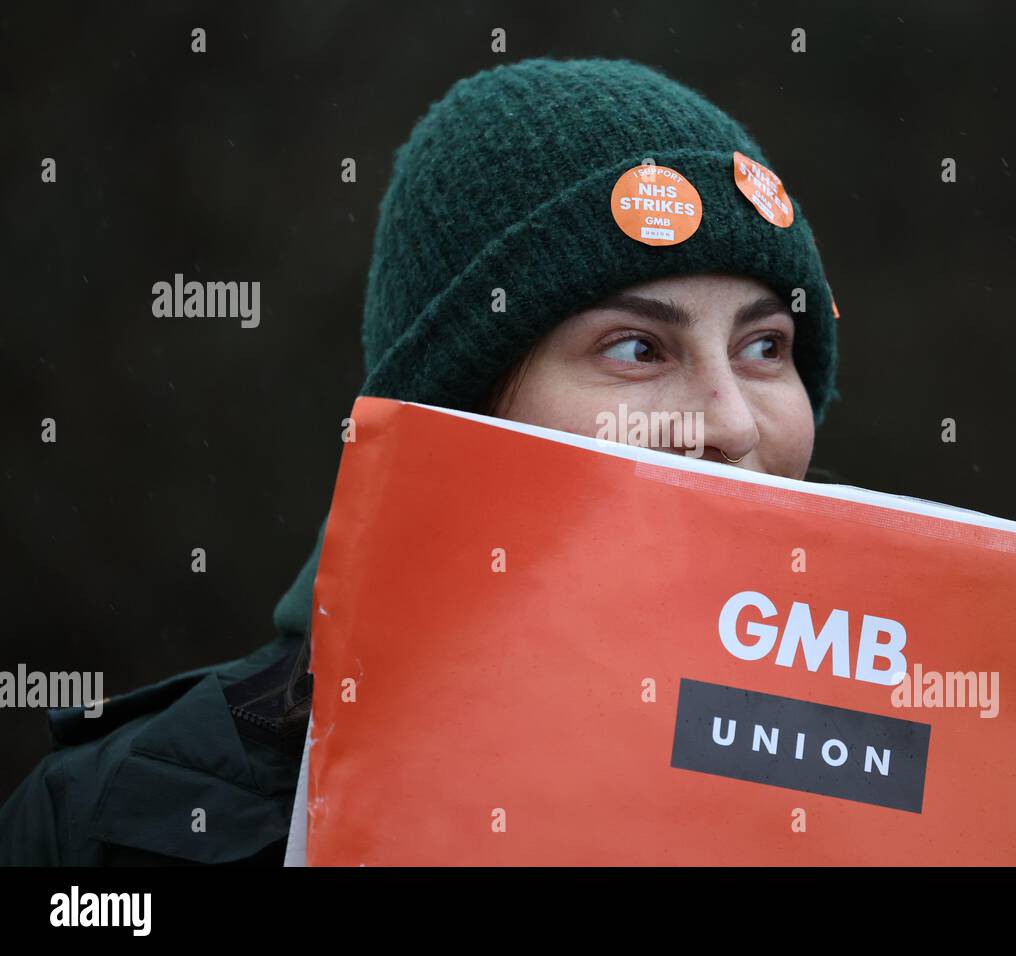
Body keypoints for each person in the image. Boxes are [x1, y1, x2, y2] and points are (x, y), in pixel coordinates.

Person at [0, 56, 839, 865]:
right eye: (635, 347)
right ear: (455, 412)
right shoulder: (112, 819)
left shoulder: (903, 764)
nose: (728, 421)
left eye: (766, 345)